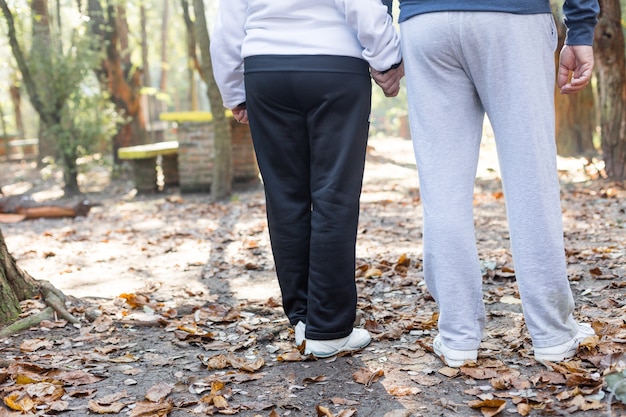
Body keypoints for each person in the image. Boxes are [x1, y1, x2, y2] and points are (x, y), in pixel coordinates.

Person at [395, 0, 600, 367]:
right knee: (531, 178)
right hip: (512, 18)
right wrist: (581, 27)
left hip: (425, 21)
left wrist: (382, 36)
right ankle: (553, 334)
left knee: (442, 188)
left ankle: (458, 337)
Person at [210, 0, 403, 358]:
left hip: (265, 70)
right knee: (334, 195)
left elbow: (226, 26)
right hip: (335, 66)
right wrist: (386, 59)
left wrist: (234, 91)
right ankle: (327, 329)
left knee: (285, 197)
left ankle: (302, 318)